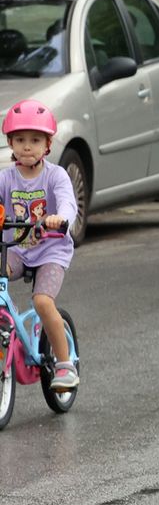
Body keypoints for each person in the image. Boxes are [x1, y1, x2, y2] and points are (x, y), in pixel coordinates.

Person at [1, 99, 78, 391]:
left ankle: (64, 365)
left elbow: (68, 202)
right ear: (10, 142)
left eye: (35, 140)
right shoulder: (6, 178)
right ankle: (9, 323)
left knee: (43, 302)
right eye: (20, 140)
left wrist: (61, 218)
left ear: (47, 144)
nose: (27, 146)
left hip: (51, 250)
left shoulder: (55, 175)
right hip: (17, 248)